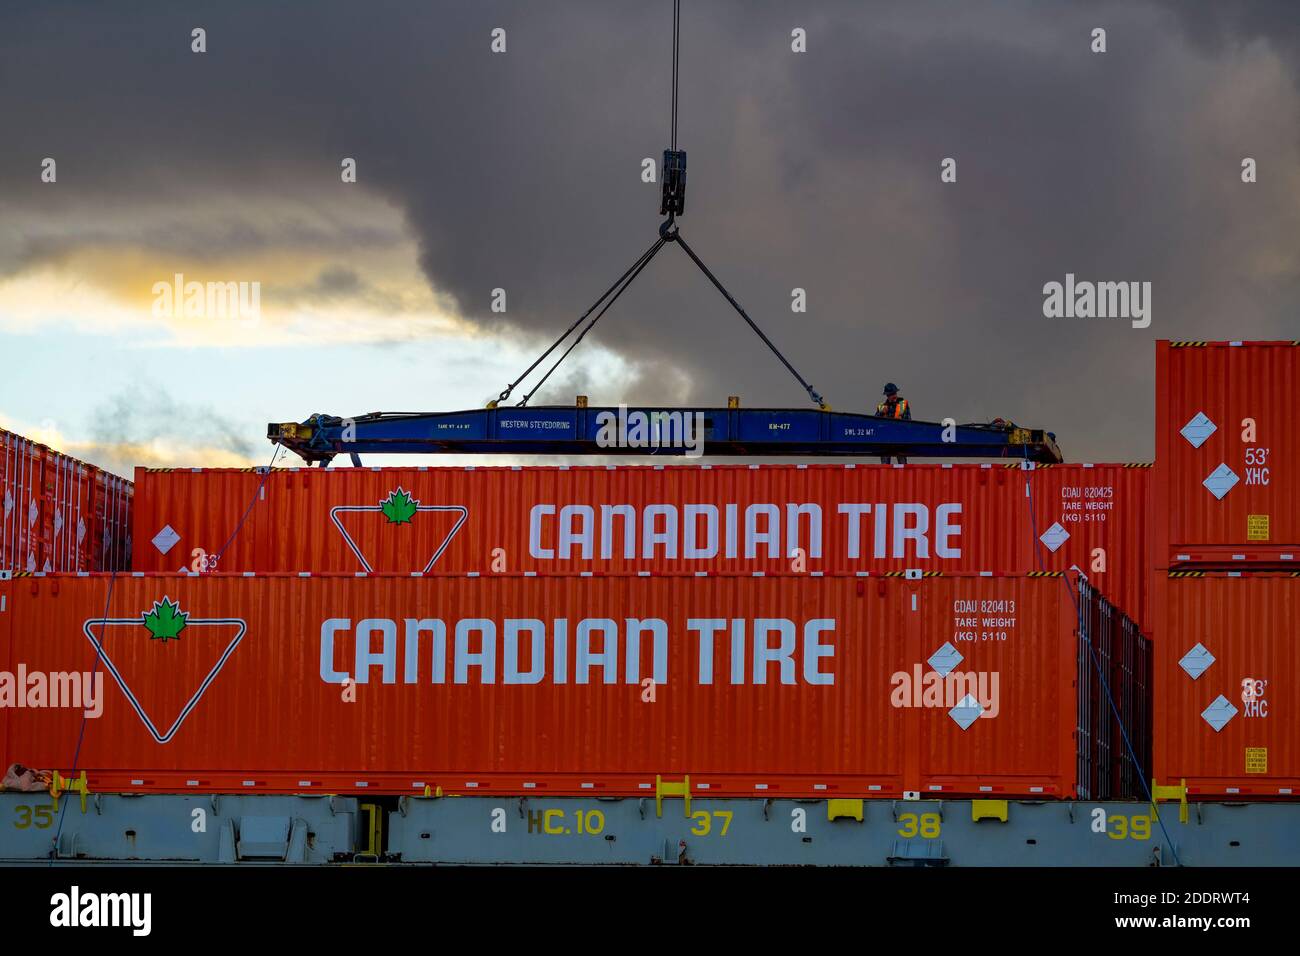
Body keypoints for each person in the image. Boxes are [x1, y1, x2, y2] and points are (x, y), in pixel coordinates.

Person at [874, 382, 910, 464]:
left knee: (902, 464)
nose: (894, 396)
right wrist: (881, 412)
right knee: (885, 465)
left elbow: (908, 422)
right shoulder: (882, 407)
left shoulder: (902, 405)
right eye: (891, 394)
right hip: (886, 440)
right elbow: (874, 422)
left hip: (900, 439)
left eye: (895, 393)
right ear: (887, 395)